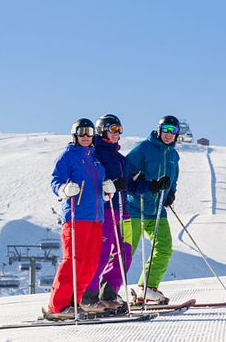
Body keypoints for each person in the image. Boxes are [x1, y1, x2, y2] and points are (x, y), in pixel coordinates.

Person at [81, 114, 151, 311]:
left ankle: (109, 294)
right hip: (104, 211)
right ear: (102, 130)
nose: (117, 133)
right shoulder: (94, 154)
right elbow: (92, 181)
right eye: (113, 129)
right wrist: (108, 186)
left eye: (119, 130)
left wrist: (151, 185)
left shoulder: (121, 159)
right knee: (102, 255)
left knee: (125, 255)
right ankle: (89, 296)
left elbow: (129, 185)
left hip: (123, 213)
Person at [46, 118, 111, 317]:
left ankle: (74, 301)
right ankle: (58, 306)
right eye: (81, 132)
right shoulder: (68, 156)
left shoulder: (95, 159)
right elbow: (55, 180)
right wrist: (64, 189)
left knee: (90, 263)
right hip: (76, 216)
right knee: (74, 260)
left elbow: (99, 187)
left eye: (89, 133)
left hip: (96, 218)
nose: (85, 136)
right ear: (74, 135)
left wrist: (109, 190)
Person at [123, 115, 180, 304]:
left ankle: (146, 288)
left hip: (157, 212)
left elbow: (173, 178)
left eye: (173, 131)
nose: (169, 134)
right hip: (136, 208)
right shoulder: (144, 149)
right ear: (159, 130)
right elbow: (126, 176)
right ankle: (106, 293)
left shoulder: (173, 155)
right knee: (126, 252)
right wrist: (147, 185)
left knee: (164, 249)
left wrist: (171, 193)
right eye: (166, 129)